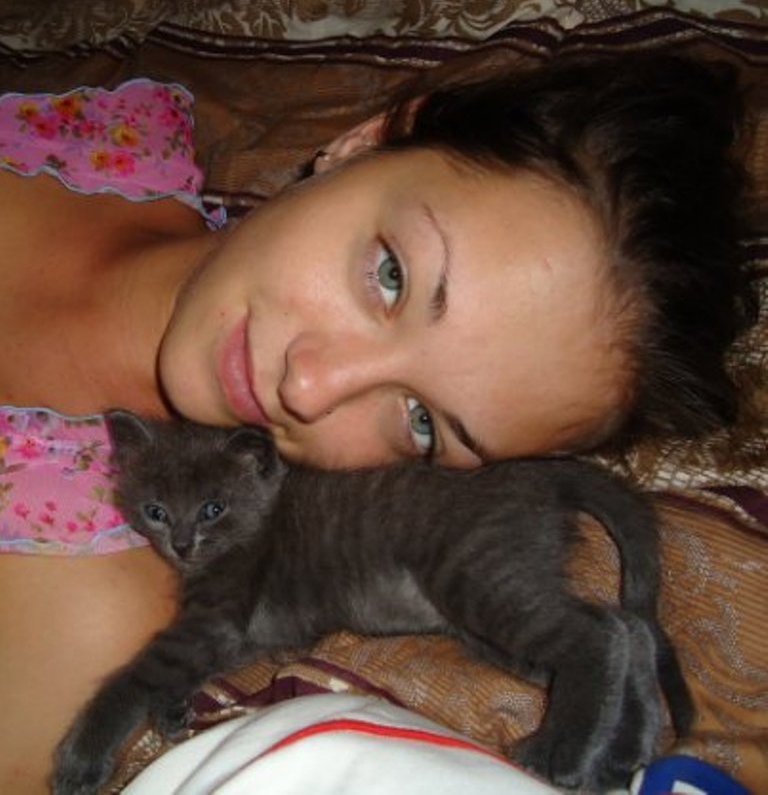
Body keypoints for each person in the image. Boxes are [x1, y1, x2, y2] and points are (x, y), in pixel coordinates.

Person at [0, 53, 756, 794]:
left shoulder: (78, 621)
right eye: (391, 275)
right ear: (366, 142)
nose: (308, 387)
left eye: (421, 422)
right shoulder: (99, 133)